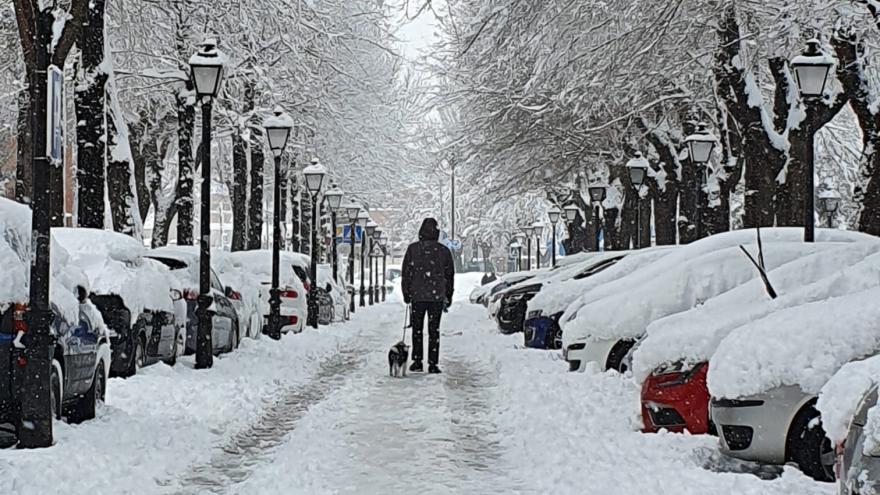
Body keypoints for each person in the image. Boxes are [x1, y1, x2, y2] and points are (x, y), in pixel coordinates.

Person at [401, 218, 455, 374]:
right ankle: (433, 363)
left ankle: (417, 361)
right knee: (434, 330)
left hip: (417, 296)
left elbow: (406, 274)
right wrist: (448, 295)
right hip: (436, 296)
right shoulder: (443, 251)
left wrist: (407, 293)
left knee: (417, 329)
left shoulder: (413, 250)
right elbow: (449, 275)